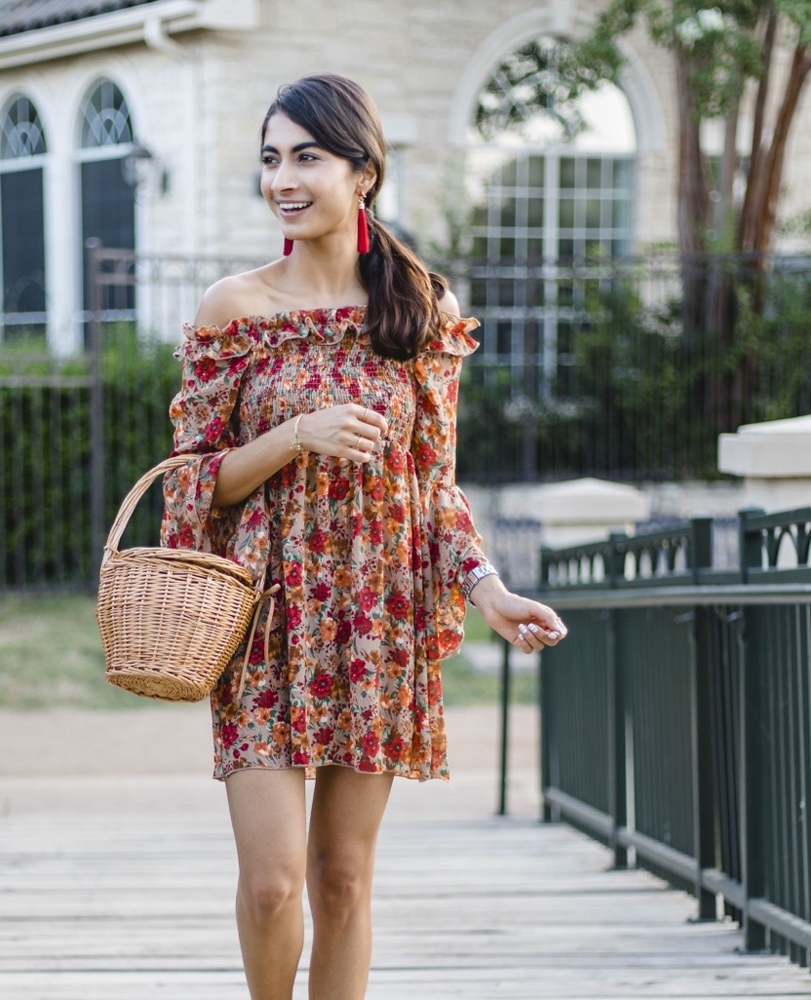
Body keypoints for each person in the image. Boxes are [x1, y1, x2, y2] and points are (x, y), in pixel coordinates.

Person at [161, 73, 568, 1000]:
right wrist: (292, 436)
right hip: (265, 623)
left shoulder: (418, 309)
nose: (283, 179)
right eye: (271, 159)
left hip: (375, 619)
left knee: (342, 880)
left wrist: (491, 592)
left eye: (307, 156)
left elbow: (435, 486)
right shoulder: (236, 308)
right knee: (272, 887)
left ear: (363, 172)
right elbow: (191, 488)